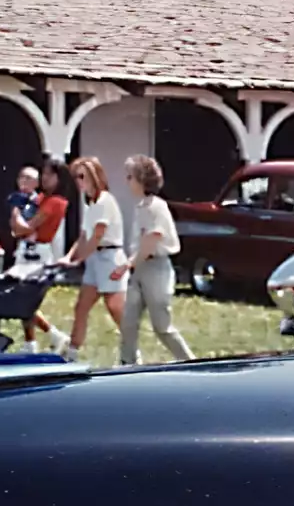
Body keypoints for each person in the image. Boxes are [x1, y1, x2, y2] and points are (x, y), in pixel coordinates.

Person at [116, 155, 194, 364]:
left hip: (156, 269)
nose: (127, 181)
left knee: (162, 326)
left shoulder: (156, 207)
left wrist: (129, 263)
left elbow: (152, 239)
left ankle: (190, 362)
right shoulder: (141, 206)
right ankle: (128, 364)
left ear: (142, 180)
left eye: (130, 177)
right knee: (128, 321)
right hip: (140, 269)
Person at [63, 155, 127, 361]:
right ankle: (72, 353)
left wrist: (80, 259)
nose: (79, 181)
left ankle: (132, 353)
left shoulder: (105, 201)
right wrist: (68, 257)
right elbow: (84, 236)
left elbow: (98, 236)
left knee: (116, 309)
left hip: (109, 259)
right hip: (95, 260)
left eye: (83, 176)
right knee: (81, 307)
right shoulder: (91, 205)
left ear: (95, 177)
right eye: (77, 177)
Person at [10, 158, 71, 354]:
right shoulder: (41, 198)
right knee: (22, 298)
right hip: (27, 249)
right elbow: (17, 229)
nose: (45, 178)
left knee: (25, 299)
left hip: (38, 253)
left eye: (50, 174)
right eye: (43, 173)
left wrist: (16, 213)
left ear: (59, 178)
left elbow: (25, 227)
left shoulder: (55, 202)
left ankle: (53, 336)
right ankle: (32, 342)